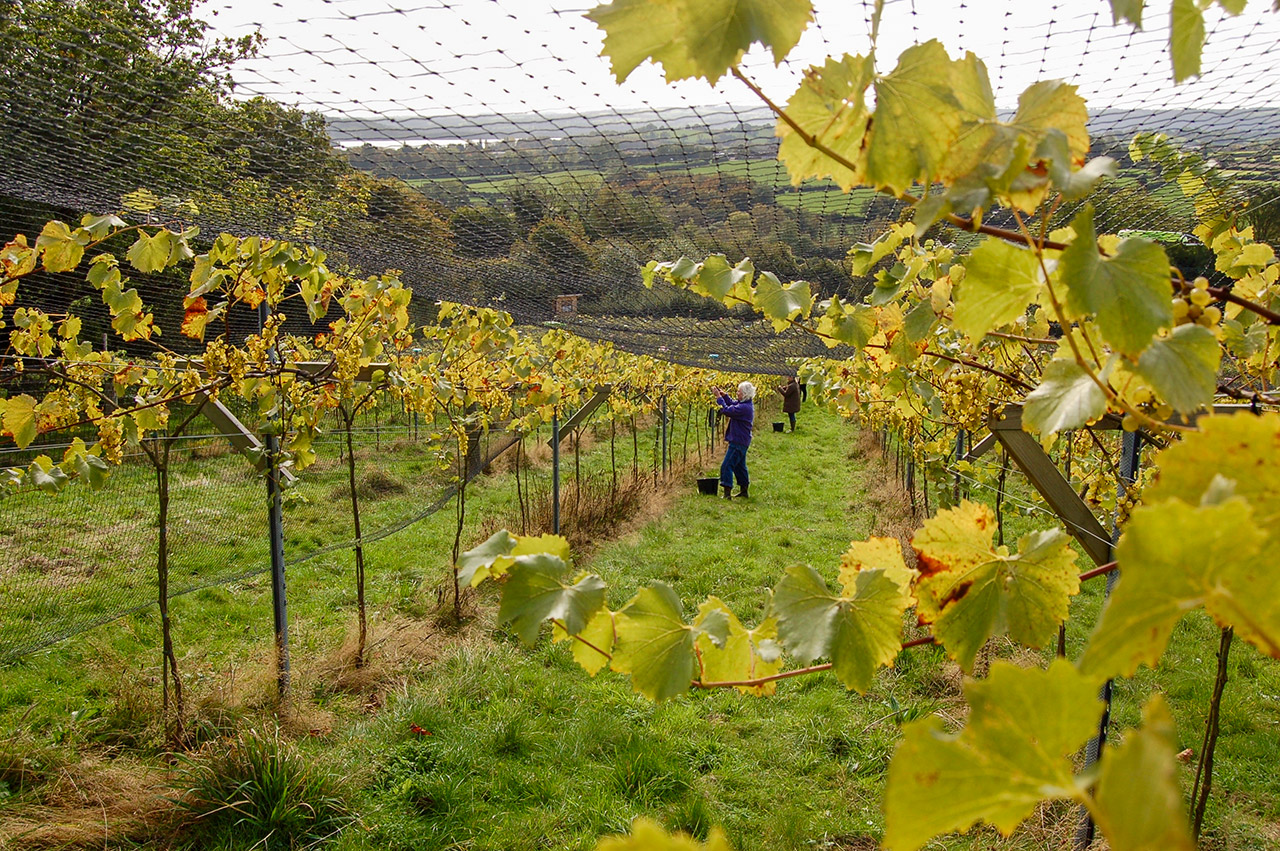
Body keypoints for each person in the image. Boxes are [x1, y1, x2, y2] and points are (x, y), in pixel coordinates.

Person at [714, 381, 754, 499]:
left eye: (739, 392)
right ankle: (744, 490)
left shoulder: (744, 408)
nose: (737, 393)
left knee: (727, 465)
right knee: (739, 466)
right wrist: (725, 396)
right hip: (742, 440)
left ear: (745, 394)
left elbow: (728, 410)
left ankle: (727, 493)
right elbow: (732, 403)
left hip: (738, 441)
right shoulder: (746, 404)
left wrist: (718, 398)